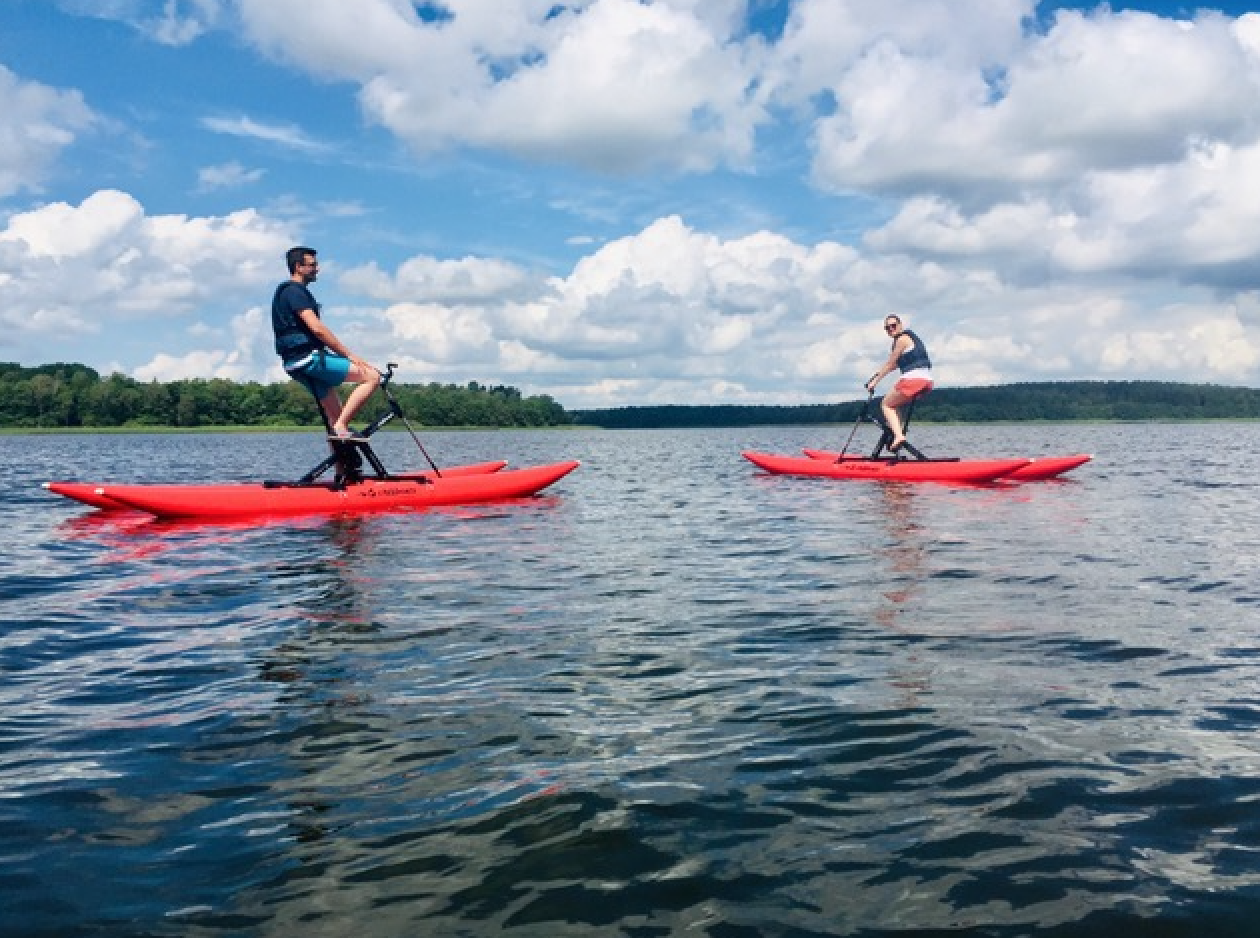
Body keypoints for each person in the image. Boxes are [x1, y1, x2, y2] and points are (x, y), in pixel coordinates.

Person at [272, 246, 380, 442]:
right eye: (312, 265)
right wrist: (349, 355)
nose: (317, 269)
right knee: (372, 376)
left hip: (293, 364)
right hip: (307, 359)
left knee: (334, 419)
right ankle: (341, 427)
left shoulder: (287, 293)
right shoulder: (294, 292)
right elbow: (317, 329)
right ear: (298, 267)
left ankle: (341, 458)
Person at [864, 313, 933, 451]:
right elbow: (894, 366)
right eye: (887, 328)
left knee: (886, 405)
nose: (891, 329)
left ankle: (899, 436)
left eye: (893, 325)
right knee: (894, 405)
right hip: (926, 380)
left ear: (900, 325)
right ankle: (897, 433)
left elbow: (890, 364)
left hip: (913, 379)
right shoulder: (909, 339)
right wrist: (877, 374)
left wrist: (874, 382)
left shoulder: (902, 339)